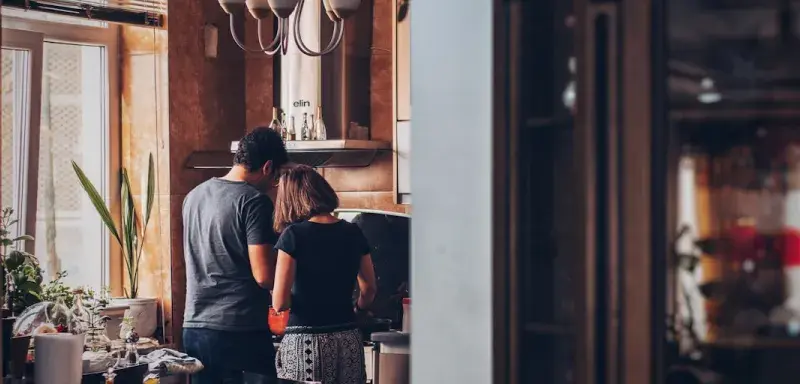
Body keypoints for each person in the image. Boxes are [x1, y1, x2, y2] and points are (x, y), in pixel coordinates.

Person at [182, 127, 288, 383]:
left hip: (194, 327)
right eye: (275, 178)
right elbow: (264, 276)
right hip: (238, 330)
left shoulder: (194, 196)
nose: (273, 186)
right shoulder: (254, 201)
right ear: (267, 167)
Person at [271, 165, 378, 384]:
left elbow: (279, 302)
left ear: (291, 199)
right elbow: (369, 289)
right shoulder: (353, 232)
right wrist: (357, 309)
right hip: (348, 338)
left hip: (306, 342)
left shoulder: (293, 236)